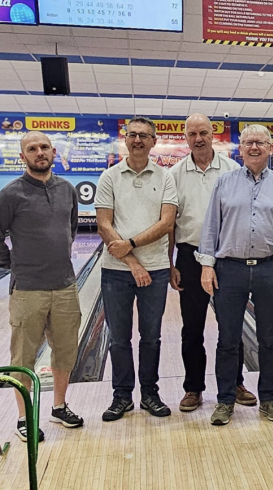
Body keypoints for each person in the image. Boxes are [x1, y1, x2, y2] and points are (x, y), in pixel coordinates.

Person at [198, 124, 273, 426]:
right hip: (229, 269)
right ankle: (225, 400)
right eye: (248, 143)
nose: (254, 147)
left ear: (271, 148)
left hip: (270, 268)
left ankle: (268, 399)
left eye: (260, 143)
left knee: (269, 339)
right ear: (239, 149)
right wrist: (207, 266)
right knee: (228, 339)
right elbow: (210, 228)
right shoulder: (224, 183)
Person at [0, 131, 83, 443]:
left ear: (53, 152)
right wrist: (16, 266)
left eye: (44, 147)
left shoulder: (67, 190)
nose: (39, 152)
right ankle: (24, 418)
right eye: (32, 149)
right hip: (28, 290)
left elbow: (72, 229)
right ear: (22, 156)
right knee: (23, 357)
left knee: (65, 351)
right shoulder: (10, 195)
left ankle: (60, 406)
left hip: (66, 286)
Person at [168, 113, 256, 413]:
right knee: (191, 328)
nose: (198, 138)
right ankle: (193, 388)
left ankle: (235, 382)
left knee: (232, 327)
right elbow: (169, 224)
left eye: (203, 132)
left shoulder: (233, 169)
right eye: (192, 133)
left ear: (213, 134)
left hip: (227, 259)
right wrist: (171, 263)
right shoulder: (175, 174)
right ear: (186, 138)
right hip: (190, 257)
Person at [95, 116, 178, 422]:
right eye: (133, 135)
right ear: (125, 139)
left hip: (155, 269)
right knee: (118, 338)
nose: (138, 140)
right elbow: (104, 224)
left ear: (154, 141)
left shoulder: (166, 177)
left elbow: (167, 223)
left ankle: (150, 394)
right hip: (116, 271)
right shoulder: (110, 176)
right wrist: (131, 261)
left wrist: (129, 244)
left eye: (144, 135)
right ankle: (121, 396)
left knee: (151, 336)